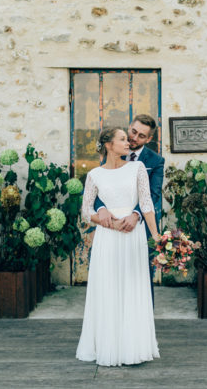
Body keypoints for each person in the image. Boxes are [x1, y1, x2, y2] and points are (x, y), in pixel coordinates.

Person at [76, 127, 161, 367]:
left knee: (133, 287)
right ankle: (108, 345)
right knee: (109, 288)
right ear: (109, 145)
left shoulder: (137, 169)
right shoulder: (94, 175)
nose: (129, 142)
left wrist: (156, 238)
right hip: (108, 238)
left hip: (133, 237)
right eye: (123, 139)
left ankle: (133, 346)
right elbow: (86, 210)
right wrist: (106, 220)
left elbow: (146, 205)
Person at [93, 114, 165, 300]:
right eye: (133, 131)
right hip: (113, 225)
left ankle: (141, 323)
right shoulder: (113, 153)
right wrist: (101, 209)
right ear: (129, 127)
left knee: (140, 276)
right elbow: (100, 185)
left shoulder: (156, 161)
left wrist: (136, 215)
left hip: (140, 224)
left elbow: (153, 194)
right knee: (112, 275)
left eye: (141, 136)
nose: (134, 137)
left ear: (148, 139)